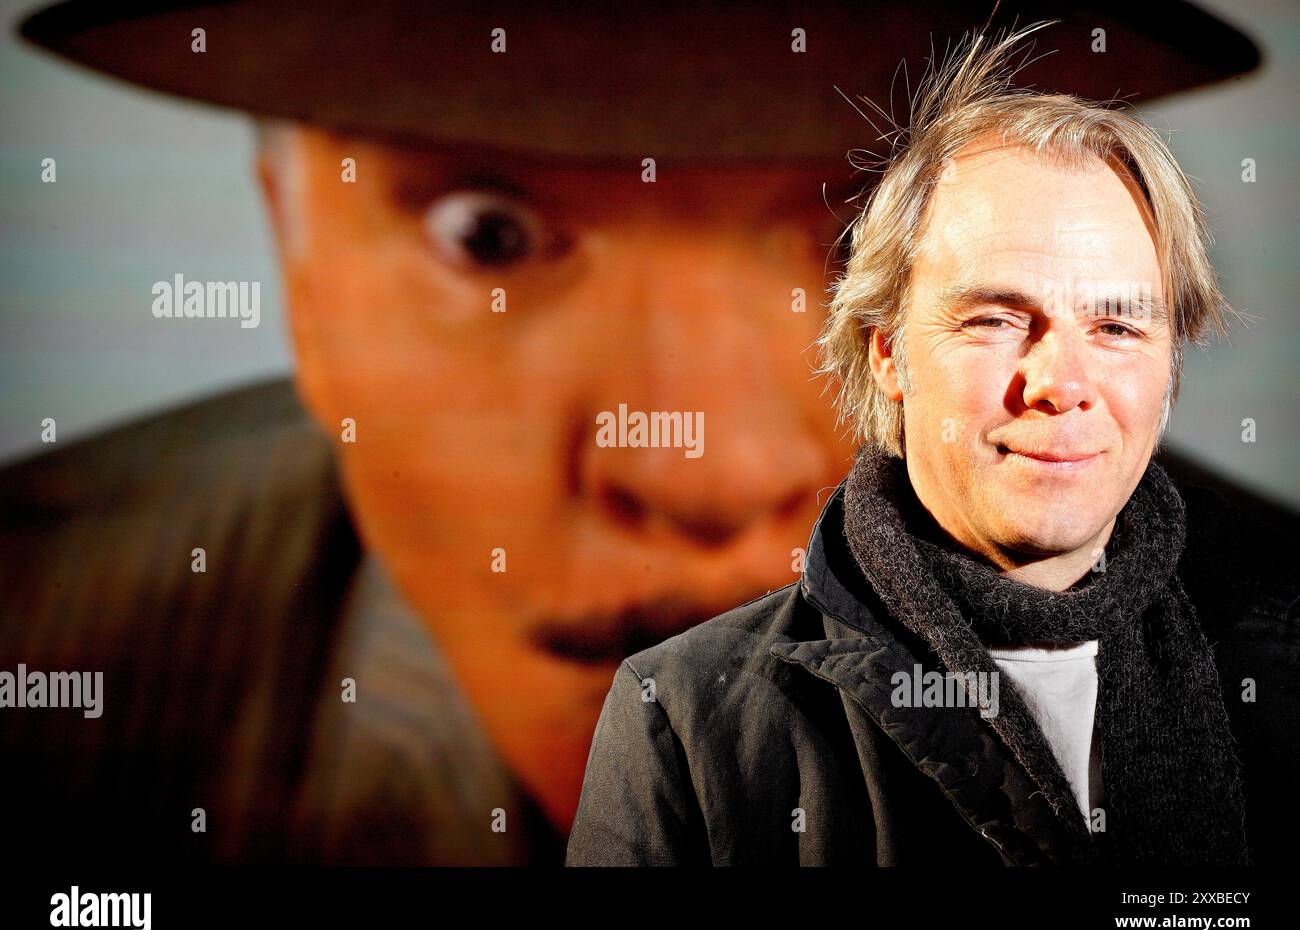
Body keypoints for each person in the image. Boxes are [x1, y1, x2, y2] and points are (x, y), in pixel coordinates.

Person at [1, 1, 1276, 865]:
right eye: (487, 236)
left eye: (848, 237)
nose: (706, 469)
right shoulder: (42, 650)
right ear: (287, 235)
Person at [565, 23, 1300, 867]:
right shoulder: (690, 724)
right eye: (995, 319)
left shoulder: (1282, 663)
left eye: (1117, 325)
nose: (1060, 382)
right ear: (888, 352)